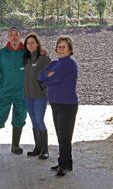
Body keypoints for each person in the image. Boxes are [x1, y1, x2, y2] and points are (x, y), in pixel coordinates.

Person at [38, 35, 78, 177]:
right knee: (62, 135)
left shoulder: (70, 64)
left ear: (70, 49)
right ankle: (68, 162)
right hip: (55, 103)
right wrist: (49, 76)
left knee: (64, 136)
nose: (61, 49)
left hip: (68, 104)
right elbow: (41, 76)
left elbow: (56, 79)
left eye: (64, 47)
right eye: (59, 46)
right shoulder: (55, 63)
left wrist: (50, 77)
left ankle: (63, 165)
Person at [0, 26, 27, 155]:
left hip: (21, 92)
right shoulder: (2, 53)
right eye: (11, 35)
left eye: (16, 35)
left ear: (20, 37)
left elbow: (37, 62)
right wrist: (0, 87)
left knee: (20, 117)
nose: (14, 37)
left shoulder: (26, 52)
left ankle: (15, 146)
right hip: (5, 91)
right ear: (8, 37)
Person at [23, 32, 51, 159]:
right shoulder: (26, 59)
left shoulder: (43, 58)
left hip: (39, 96)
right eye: (28, 43)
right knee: (34, 122)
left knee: (39, 121)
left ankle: (45, 150)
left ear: (37, 44)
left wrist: (44, 86)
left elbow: (51, 72)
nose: (30, 45)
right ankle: (37, 147)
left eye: (32, 42)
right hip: (28, 97)